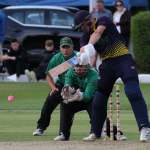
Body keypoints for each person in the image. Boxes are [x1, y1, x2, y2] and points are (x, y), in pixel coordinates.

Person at [74, 10, 150, 142]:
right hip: (107, 65)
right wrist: (81, 57)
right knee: (98, 99)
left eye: (81, 26)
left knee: (132, 92)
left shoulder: (103, 20)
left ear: (88, 21)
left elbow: (97, 33)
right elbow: (83, 52)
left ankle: (145, 128)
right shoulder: (84, 38)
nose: (81, 29)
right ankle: (96, 132)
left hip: (123, 59)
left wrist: (89, 46)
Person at [53, 54, 127, 141]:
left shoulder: (93, 75)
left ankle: (112, 134)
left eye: (81, 66)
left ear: (87, 66)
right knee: (65, 104)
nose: (78, 69)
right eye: (77, 66)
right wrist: (67, 91)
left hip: (91, 99)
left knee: (97, 113)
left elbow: (87, 96)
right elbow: (67, 84)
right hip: (77, 97)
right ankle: (63, 134)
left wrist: (77, 96)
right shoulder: (70, 72)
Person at [32, 37, 77, 136]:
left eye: (67, 47)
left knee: (92, 105)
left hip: (77, 86)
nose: (65, 50)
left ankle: (99, 128)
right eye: (63, 47)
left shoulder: (78, 57)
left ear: (72, 47)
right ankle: (40, 128)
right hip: (61, 85)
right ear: (60, 48)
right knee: (47, 105)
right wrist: (53, 88)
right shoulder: (56, 58)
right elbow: (49, 75)